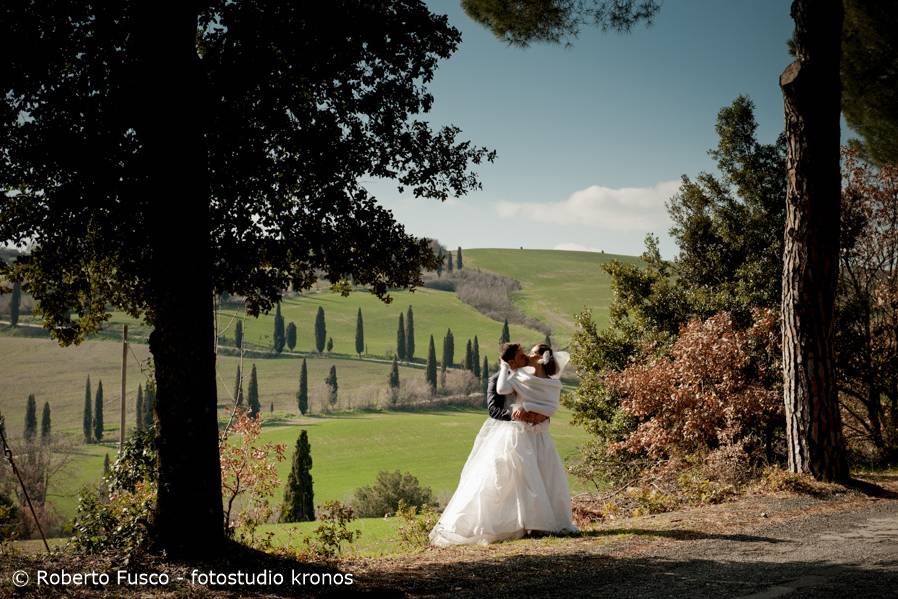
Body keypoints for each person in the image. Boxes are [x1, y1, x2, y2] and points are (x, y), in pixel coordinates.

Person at [429, 342, 579, 547]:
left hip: (540, 435)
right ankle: (517, 523)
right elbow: (497, 402)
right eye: (522, 354)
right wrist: (519, 412)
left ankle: (540, 523)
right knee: (511, 479)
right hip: (516, 434)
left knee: (542, 477)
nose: (526, 356)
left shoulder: (544, 380)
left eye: (529, 353)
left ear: (541, 358)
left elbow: (551, 406)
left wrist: (539, 414)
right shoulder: (513, 377)